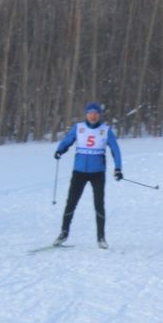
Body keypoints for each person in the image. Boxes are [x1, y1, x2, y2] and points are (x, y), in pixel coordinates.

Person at [53, 101, 122, 249]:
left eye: (96, 113)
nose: (93, 116)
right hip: (79, 172)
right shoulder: (79, 128)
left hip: (98, 173)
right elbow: (67, 141)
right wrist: (60, 150)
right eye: (90, 113)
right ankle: (63, 234)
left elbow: (115, 149)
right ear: (86, 114)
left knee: (99, 205)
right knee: (71, 202)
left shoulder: (106, 130)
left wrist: (118, 168)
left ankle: (101, 238)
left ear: (99, 115)